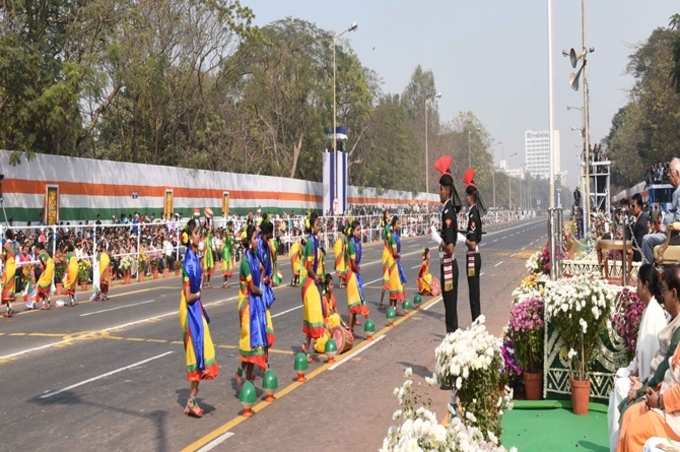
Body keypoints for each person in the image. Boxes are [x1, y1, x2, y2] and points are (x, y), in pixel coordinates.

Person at [617, 268, 680, 451]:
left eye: (665, 291)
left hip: (673, 413)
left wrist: (659, 400)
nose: (663, 296)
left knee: (635, 431)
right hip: (665, 399)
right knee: (629, 416)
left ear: (674, 293)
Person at [608, 264, 667, 450]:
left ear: (646, 285)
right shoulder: (649, 310)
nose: (636, 289)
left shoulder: (655, 315)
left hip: (650, 388)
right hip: (642, 379)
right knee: (619, 380)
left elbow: (655, 363)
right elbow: (640, 356)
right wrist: (627, 372)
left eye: (638, 284)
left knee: (620, 389)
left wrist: (640, 383)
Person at [178, 219, 218, 418]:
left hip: (196, 308)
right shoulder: (188, 261)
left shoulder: (195, 256)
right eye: (196, 233)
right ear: (189, 237)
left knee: (202, 350)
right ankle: (191, 401)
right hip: (189, 309)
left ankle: (191, 400)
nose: (199, 236)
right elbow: (188, 295)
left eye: (199, 233)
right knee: (197, 354)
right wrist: (199, 295)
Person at [237, 224, 271, 384]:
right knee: (251, 340)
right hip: (248, 303)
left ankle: (247, 376)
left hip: (255, 301)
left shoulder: (255, 255)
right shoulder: (245, 261)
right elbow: (251, 287)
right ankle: (240, 372)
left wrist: (264, 278)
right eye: (255, 238)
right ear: (250, 241)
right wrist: (262, 291)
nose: (258, 240)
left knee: (255, 340)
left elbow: (263, 268)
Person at [433, 155, 463, 333]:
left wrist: (438, 240)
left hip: (450, 265)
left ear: (447, 190)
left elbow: (450, 248)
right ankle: (452, 338)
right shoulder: (446, 211)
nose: (439, 192)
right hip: (447, 265)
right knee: (448, 305)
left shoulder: (448, 213)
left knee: (450, 308)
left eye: (441, 189)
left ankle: (453, 341)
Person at [642, 158, 680, 264]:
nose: (668, 176)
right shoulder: (676, 191)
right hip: (672, 232)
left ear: (676, 173)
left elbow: (678, 218)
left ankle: (648, 273)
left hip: (674, 235)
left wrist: (664, 219)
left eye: (670, 174)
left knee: (646, 240)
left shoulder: (679, 192)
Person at [301, 212, 325, 360]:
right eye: (317, 224)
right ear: (311, 226)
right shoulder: (310, 242)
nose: (319, 226)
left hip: (314, 281)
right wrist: (315, 276)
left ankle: (306, 346)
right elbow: (308, 265)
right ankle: (317, 345)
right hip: (310, 283)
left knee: (312, 315)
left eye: (319, 223)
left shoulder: (316, 241)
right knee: (315, 314)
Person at [463, 168, 484, 323]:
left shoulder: (473, 214)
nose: (464, 198)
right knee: (473, 292)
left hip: (473, 256)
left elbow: (472, 243)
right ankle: (476, 321)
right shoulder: (473, 212)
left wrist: (461, 239)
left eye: (466, 195)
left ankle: (476, 322)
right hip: (473, 256)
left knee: (473, 293)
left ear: (471, 197)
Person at [346, 220, 369, 333]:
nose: (360, 232)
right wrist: (357, 268)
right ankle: (350, 330)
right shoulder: (351, 243)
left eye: (360, 229)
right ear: (353, 231)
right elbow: (353, 262)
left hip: (356, 273)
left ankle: (352, 329)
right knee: (353, 305)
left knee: (358, 301)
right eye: (358, 230)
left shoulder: (358, 242)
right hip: (351, 274)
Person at [386, 216, 406, 314]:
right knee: (395, 285)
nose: (399, 225)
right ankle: (393, 307)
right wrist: (398, 255)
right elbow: (394, 252)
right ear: (394, 225)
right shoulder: (393, 236)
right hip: (393, 262)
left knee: (399, 283)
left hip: (396, 261)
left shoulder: (395, 235)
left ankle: (394, 306)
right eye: (398, 224)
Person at [630, 193, 650, 262]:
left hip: (639, 256)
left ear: (639, 206)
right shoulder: (639, 218)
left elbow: (639, 244)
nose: (631, 208)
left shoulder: (642, 221)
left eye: (633, 206)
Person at [379, 210, 391, 310]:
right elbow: (386, 242)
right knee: (386, 280)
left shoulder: (388, 227)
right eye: (387, 214)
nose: (389, 215)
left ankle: (386, 302)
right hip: (387, 255)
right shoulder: (387, 228)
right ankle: (382, 301)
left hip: (388, 254)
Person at [334, 221, 349, 287]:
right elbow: (346, 246)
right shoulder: (344, 236)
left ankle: (341, 282)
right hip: (343, 254)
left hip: (337, 254)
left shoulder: (337, 236)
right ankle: (342, 282)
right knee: (343, 269)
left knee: (339, 268)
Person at [202, 213, 215, 288]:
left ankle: (208, 282)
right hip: (205, 251)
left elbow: (212, 228)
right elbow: (204, 227)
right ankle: (204, 283)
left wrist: (212, 219)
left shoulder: (209, 234)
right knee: (205, 268)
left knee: (209, 267)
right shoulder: (204, 233)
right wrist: (205, 220)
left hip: (209, 251)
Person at [222, 221, 235, 288]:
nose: (232, 227)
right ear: (229, 225)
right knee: (226, 268)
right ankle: (225, 283)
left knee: (228, 268)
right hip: (226, 251)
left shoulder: (231, 232)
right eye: (232, 225)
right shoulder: (226, 232)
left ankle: (226, 283)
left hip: (229, 251)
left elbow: (232, 242)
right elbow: (224, 240)